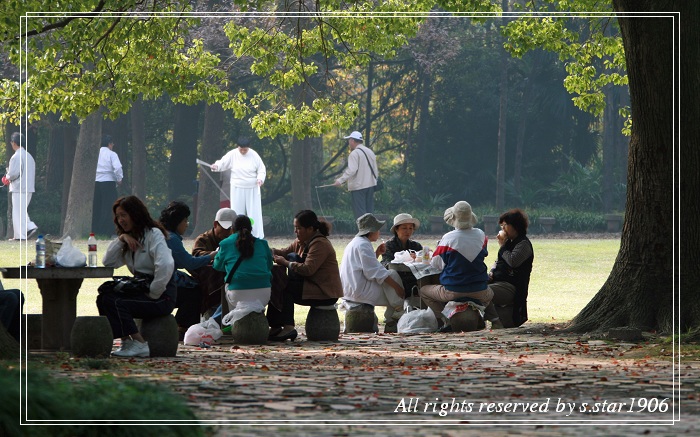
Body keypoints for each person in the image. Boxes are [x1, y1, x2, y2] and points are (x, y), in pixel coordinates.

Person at [97, 196, 175, 358]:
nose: (121, 220)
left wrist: (154, 293)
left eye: (124, 215)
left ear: (135, 214)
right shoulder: (128, 240)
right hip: (141, 288)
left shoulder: (153, 234)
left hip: (162, 296)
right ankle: (126, 342)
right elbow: (108, 262)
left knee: (117, 302)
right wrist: (122, 238)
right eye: (118, 217)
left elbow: (166, 265)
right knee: (103, 297)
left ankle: (140, 343)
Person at [419, 201, 503, 331]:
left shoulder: (447, 238)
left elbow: (436, 264)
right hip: (479, 289)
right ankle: (495, 321)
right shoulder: (481, 235)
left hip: (453, 291)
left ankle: (445, 319)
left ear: (453, 218)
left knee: (424, 291)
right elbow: (483, 254)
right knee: (488, 293)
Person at [267, 210, 343, 341]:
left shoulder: (320, 244)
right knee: (277, 283)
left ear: (310, 229)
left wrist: (286, 263)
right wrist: (265, 250)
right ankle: (275, 327)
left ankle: (289, 327)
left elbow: (308, 269)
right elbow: (284, 252)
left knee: (285, 287)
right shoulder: (300, 241)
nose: (296, 231)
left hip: (325, 291)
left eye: (299, 228)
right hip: (310, 285)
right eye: (295, 228)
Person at [159, 201, 216, 335]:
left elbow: (180, 261)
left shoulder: (164, 235)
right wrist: (211, 255)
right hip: (165, 284)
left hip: (161, 279)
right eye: (185, 220)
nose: (186, 224)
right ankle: (182, 326)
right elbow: (189, 262)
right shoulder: (171, 239)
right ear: (177, 222)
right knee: (196, 290)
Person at [340, 213, 405, 329]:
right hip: (359, 293)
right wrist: (398, 288)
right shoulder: (363, 245)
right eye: (377, 230)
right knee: (392, 278)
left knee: (391, 292)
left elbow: (365, 266)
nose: (379, 233)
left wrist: (376, 254)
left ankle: (392, 321)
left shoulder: (356, 242)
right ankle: (398, 312)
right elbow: (373, 272)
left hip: (351, 290)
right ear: (371, 231)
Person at [212, 215, 272, 331]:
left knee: (227, 284)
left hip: (237, 294)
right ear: (251, 229)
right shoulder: (263, 244)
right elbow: (269, 266)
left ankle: (232, 325)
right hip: (264, 295)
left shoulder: (225, 244)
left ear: (232, 229)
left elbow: (217, 266)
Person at [211, 136, 266, 238]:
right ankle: (237, 234)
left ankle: (256, 236)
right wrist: (216, 166)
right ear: (238, 147)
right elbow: (223, 162)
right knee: (236, 211)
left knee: (254, 212)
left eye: (245, 149)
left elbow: (261, 169)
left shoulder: (254, 155)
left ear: (248, 148)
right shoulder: (232, 154)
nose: (243, 151)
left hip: (252, 187)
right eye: (241, 149)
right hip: (237, 187)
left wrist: (260, 178)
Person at [489, 208, 534, 327]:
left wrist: (502, 246)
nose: (502, 229)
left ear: (515, 226)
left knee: (481, 292)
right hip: (499, 281)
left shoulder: (523, 244)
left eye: (505, 225)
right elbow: (498, 261)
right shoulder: (509, 242)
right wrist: (492, 271)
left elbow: (513, 261)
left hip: (511, 286)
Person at [191, 207, 236, 323]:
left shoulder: (237, 240)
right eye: (225, 229)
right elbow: (196, 255)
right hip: (208, 282)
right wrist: (216, 254)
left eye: (231, 229)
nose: (228, 232)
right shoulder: (203, 239)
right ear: (216, 224)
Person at [333, 131, 379, 219]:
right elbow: (375, 170)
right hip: (371, 186)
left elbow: (352, 170)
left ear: (352, 141)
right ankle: (370, 232)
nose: (349, 143)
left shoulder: (354, 154)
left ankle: (363, 232)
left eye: (349, 140)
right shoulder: (370, 152)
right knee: (369, 212)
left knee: (360, 213)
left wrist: (340, 180)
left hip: (359, 186)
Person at [3, 132, 38, 241]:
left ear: (14, 143)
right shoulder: (29, 156)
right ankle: (30, 227)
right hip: (29, 187)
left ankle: (20, 236)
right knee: (22, 210)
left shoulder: (16, 157)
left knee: (18, 211)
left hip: (19, 187)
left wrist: (7, 177)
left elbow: (13, 173)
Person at [380, 213, 423, 297]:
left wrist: (420, 257)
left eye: (411, 228)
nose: (408, 231)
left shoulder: (416, 246)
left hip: (416, 278)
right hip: (398, 280)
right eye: (404, 228)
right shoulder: (389, 245)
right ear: (396, 229)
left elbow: (424, 262)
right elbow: (386, 263)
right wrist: (405, 259)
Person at [92, 134, 123, 237]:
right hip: (108, 182)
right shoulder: (112, 154)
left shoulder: (96, 154)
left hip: (96, 182)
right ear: (110, 144)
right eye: (112, 143)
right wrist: (119, 178)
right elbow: (117, 167)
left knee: (97, 206)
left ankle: (96, 230)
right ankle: (109, 231)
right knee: (110, 207)